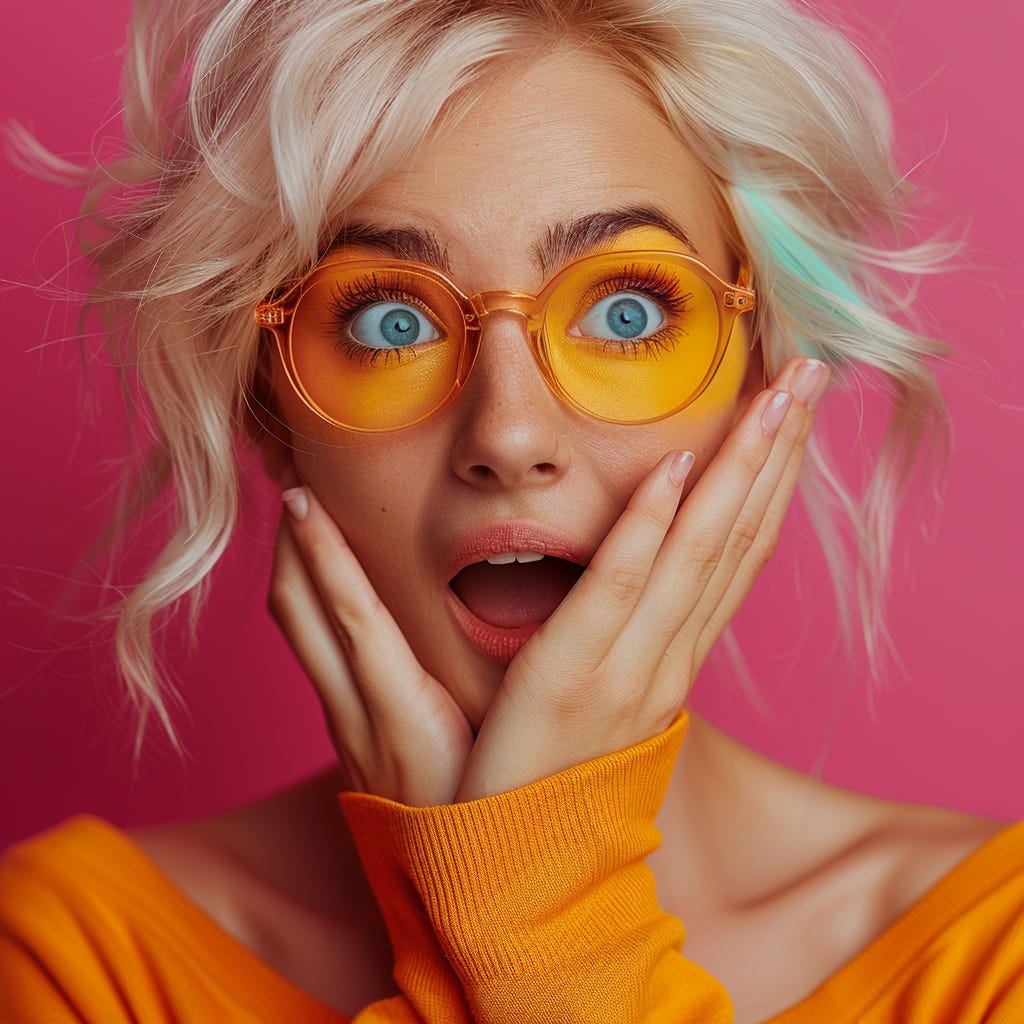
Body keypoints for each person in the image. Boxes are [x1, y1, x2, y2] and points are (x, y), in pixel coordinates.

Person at [1, 0, 1022, 1021]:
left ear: (764, 376)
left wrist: (535, 919)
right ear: (268, 407)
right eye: (388, 319)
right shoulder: (81, 966)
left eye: (626, 310)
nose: (508, 435)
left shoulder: (990, 958)